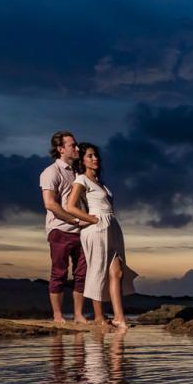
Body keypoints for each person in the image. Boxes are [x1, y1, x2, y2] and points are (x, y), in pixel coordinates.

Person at [63, 141, 138, 329]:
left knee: (118, 272)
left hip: (111, 226)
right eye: (90, 156)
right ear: (82, 160)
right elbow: (70, 207)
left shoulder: (100, 182)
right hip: (97, 228)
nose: (95, 158)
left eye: (96, 155)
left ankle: (119, 317)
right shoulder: (81, 179)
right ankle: (99, 316)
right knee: (98, 271)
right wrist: (91, 219)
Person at [40, 130, 92, 324]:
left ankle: (78, 314)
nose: (77, 148)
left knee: (82, 274)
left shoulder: (78, 172)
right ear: (61, 149)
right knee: (59, 273)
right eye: (72, 145)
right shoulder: (51, 172)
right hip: (60, 230)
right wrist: (75, 221)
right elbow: (50, 204)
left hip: (82, 231)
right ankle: (57, 315)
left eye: (76, 144)